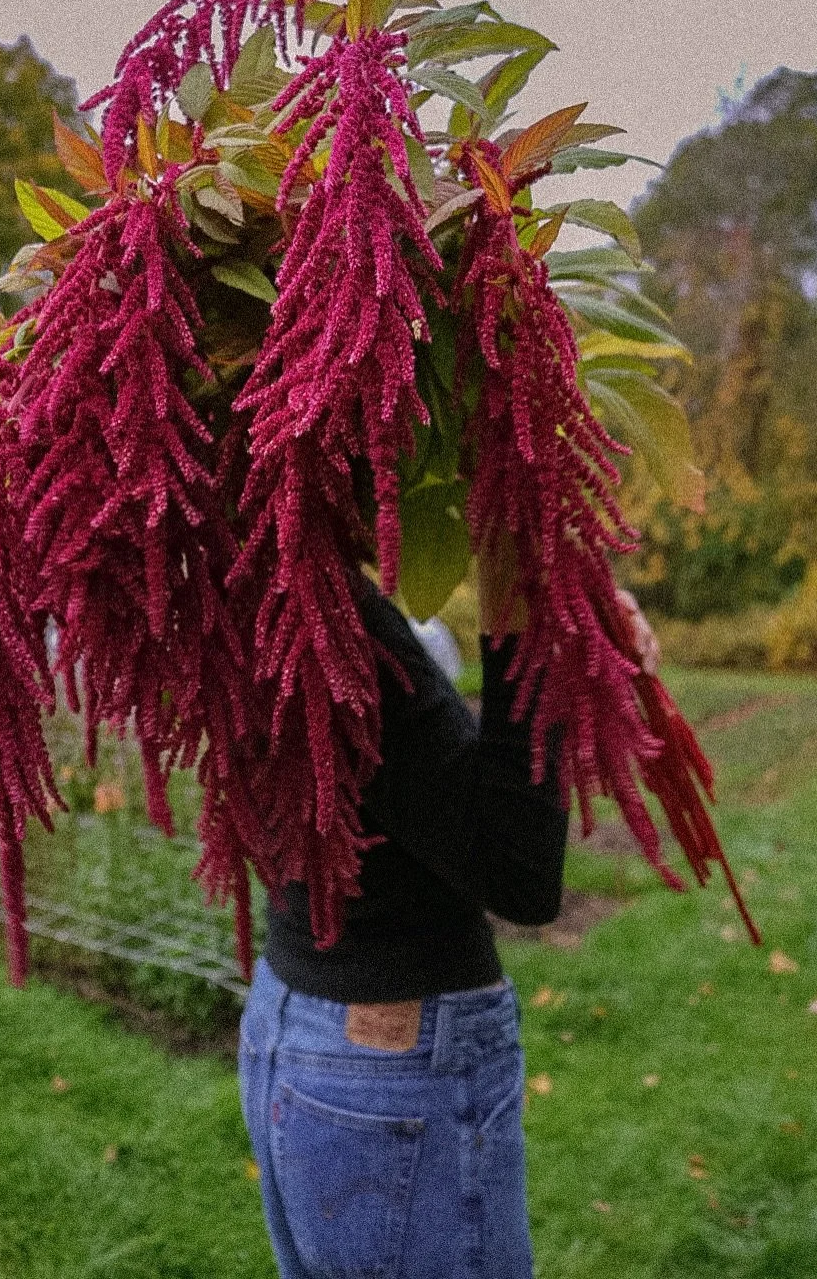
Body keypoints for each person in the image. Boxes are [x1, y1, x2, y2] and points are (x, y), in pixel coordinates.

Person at [237, 533, 660, 1278]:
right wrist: (527, 621)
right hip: (386, 1080)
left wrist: (577, 667)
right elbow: (518, 873)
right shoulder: (340, 626)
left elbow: (425, 791)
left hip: (297, 1029)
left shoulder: (252, 583)